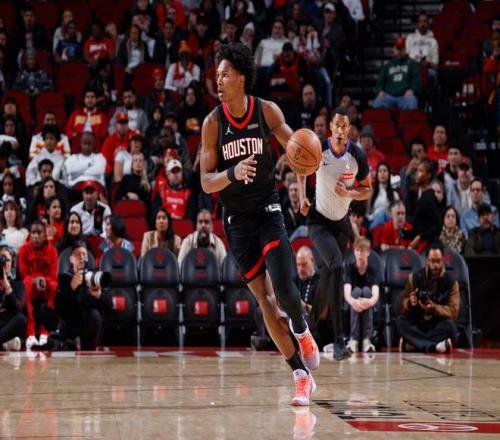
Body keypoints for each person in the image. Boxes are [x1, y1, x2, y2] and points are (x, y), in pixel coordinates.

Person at [200, 42, 319, 405]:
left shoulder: (266, 111)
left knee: (283, 287)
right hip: (236, 220)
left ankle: (302, 329)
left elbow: (298, 151)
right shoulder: (212, 124)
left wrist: (303, 190)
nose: (219, 80)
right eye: (217, 75)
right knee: (264, 301)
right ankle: (300, 375)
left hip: (268, 209)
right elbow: (206, 182)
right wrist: (232, 173)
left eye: (225, 74)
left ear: (241, 77)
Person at [298, 106, 373, 360]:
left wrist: (348, 193)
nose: (340, 129)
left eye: (345, 126)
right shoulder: (318, 148)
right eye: (336, 125)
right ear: (331, 127)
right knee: (337, 266)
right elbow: (300, 167)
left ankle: (307, 329)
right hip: (318, 220)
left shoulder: (357, 155)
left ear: (349, 129)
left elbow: (367, 189)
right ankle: (340, 339)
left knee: (328, 277)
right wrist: (302, 197)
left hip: (341, 223)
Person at [397, 242, 459, 353]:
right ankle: (435, 346)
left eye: (438, 261)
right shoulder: (414, 278)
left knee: (451, 327)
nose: (435, 265)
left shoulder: (452, 282)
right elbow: (402, 306)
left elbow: (453, 312)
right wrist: (410, 303)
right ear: (427, 260)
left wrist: (434, 308)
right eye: (432, 261)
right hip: (418, 322)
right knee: (400, 322)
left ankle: (414, 344)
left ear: (443, 260)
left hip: (437, 324)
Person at [55, 241, 112, 350]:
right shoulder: (64, 278)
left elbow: (110, 305)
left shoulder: (95, 276)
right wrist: (71, 288)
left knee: (94, 314)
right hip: (71, 325)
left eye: (84, 254)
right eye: (78, 254)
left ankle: (89, 349)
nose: (81, 257)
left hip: (91, 325)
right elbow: (60, 309)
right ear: (71, 259)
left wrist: (99, 295)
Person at [18, 221, 59, 350]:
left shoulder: (52, 250)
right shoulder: (23, 250)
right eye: (33, 233)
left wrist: (44, 280)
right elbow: (24, 274)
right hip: (31, 285)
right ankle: (30, 333)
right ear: (30, 234)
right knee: (26, 284)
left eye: (39, 232)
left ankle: (44, 332)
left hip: (46, 285)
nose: (35, 236)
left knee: (54, 285)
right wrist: (35, 280)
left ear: (45, 235)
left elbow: (53, 275)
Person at [344, 237, 380, 353]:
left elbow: (375, 295)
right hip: (353, 304)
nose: (360, 254)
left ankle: (366, 340)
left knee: (366, 291)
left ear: (368, 252)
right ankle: (353, 339)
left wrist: (368, 302)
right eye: (357, 250)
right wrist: (354, 302)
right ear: (354, 252)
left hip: (368, 304)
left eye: (363, 251)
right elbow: (347, 294)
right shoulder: (349, 268)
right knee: (356, 291)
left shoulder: (373, 269)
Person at [373, 37, 420, 110]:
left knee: (412, 102)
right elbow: (380, 81)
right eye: (398, 49)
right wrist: (380, 91)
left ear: (405, 50)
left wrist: (412, 90)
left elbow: (417, 80)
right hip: (389, 96)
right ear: (394, 49)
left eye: (401, 49)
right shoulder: (387, 65)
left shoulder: (411, 64)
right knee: (377, 103)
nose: (399, 51)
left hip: (405, 96)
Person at [0, 246, 26, 351]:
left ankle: (4, 342)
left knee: (21, 319)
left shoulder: (18, 285)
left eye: (7, 260)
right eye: (2, 259)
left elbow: (19, 307)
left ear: (12, 264)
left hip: (8, 324)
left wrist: (7, 287)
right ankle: (4, 343)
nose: (4, 263)